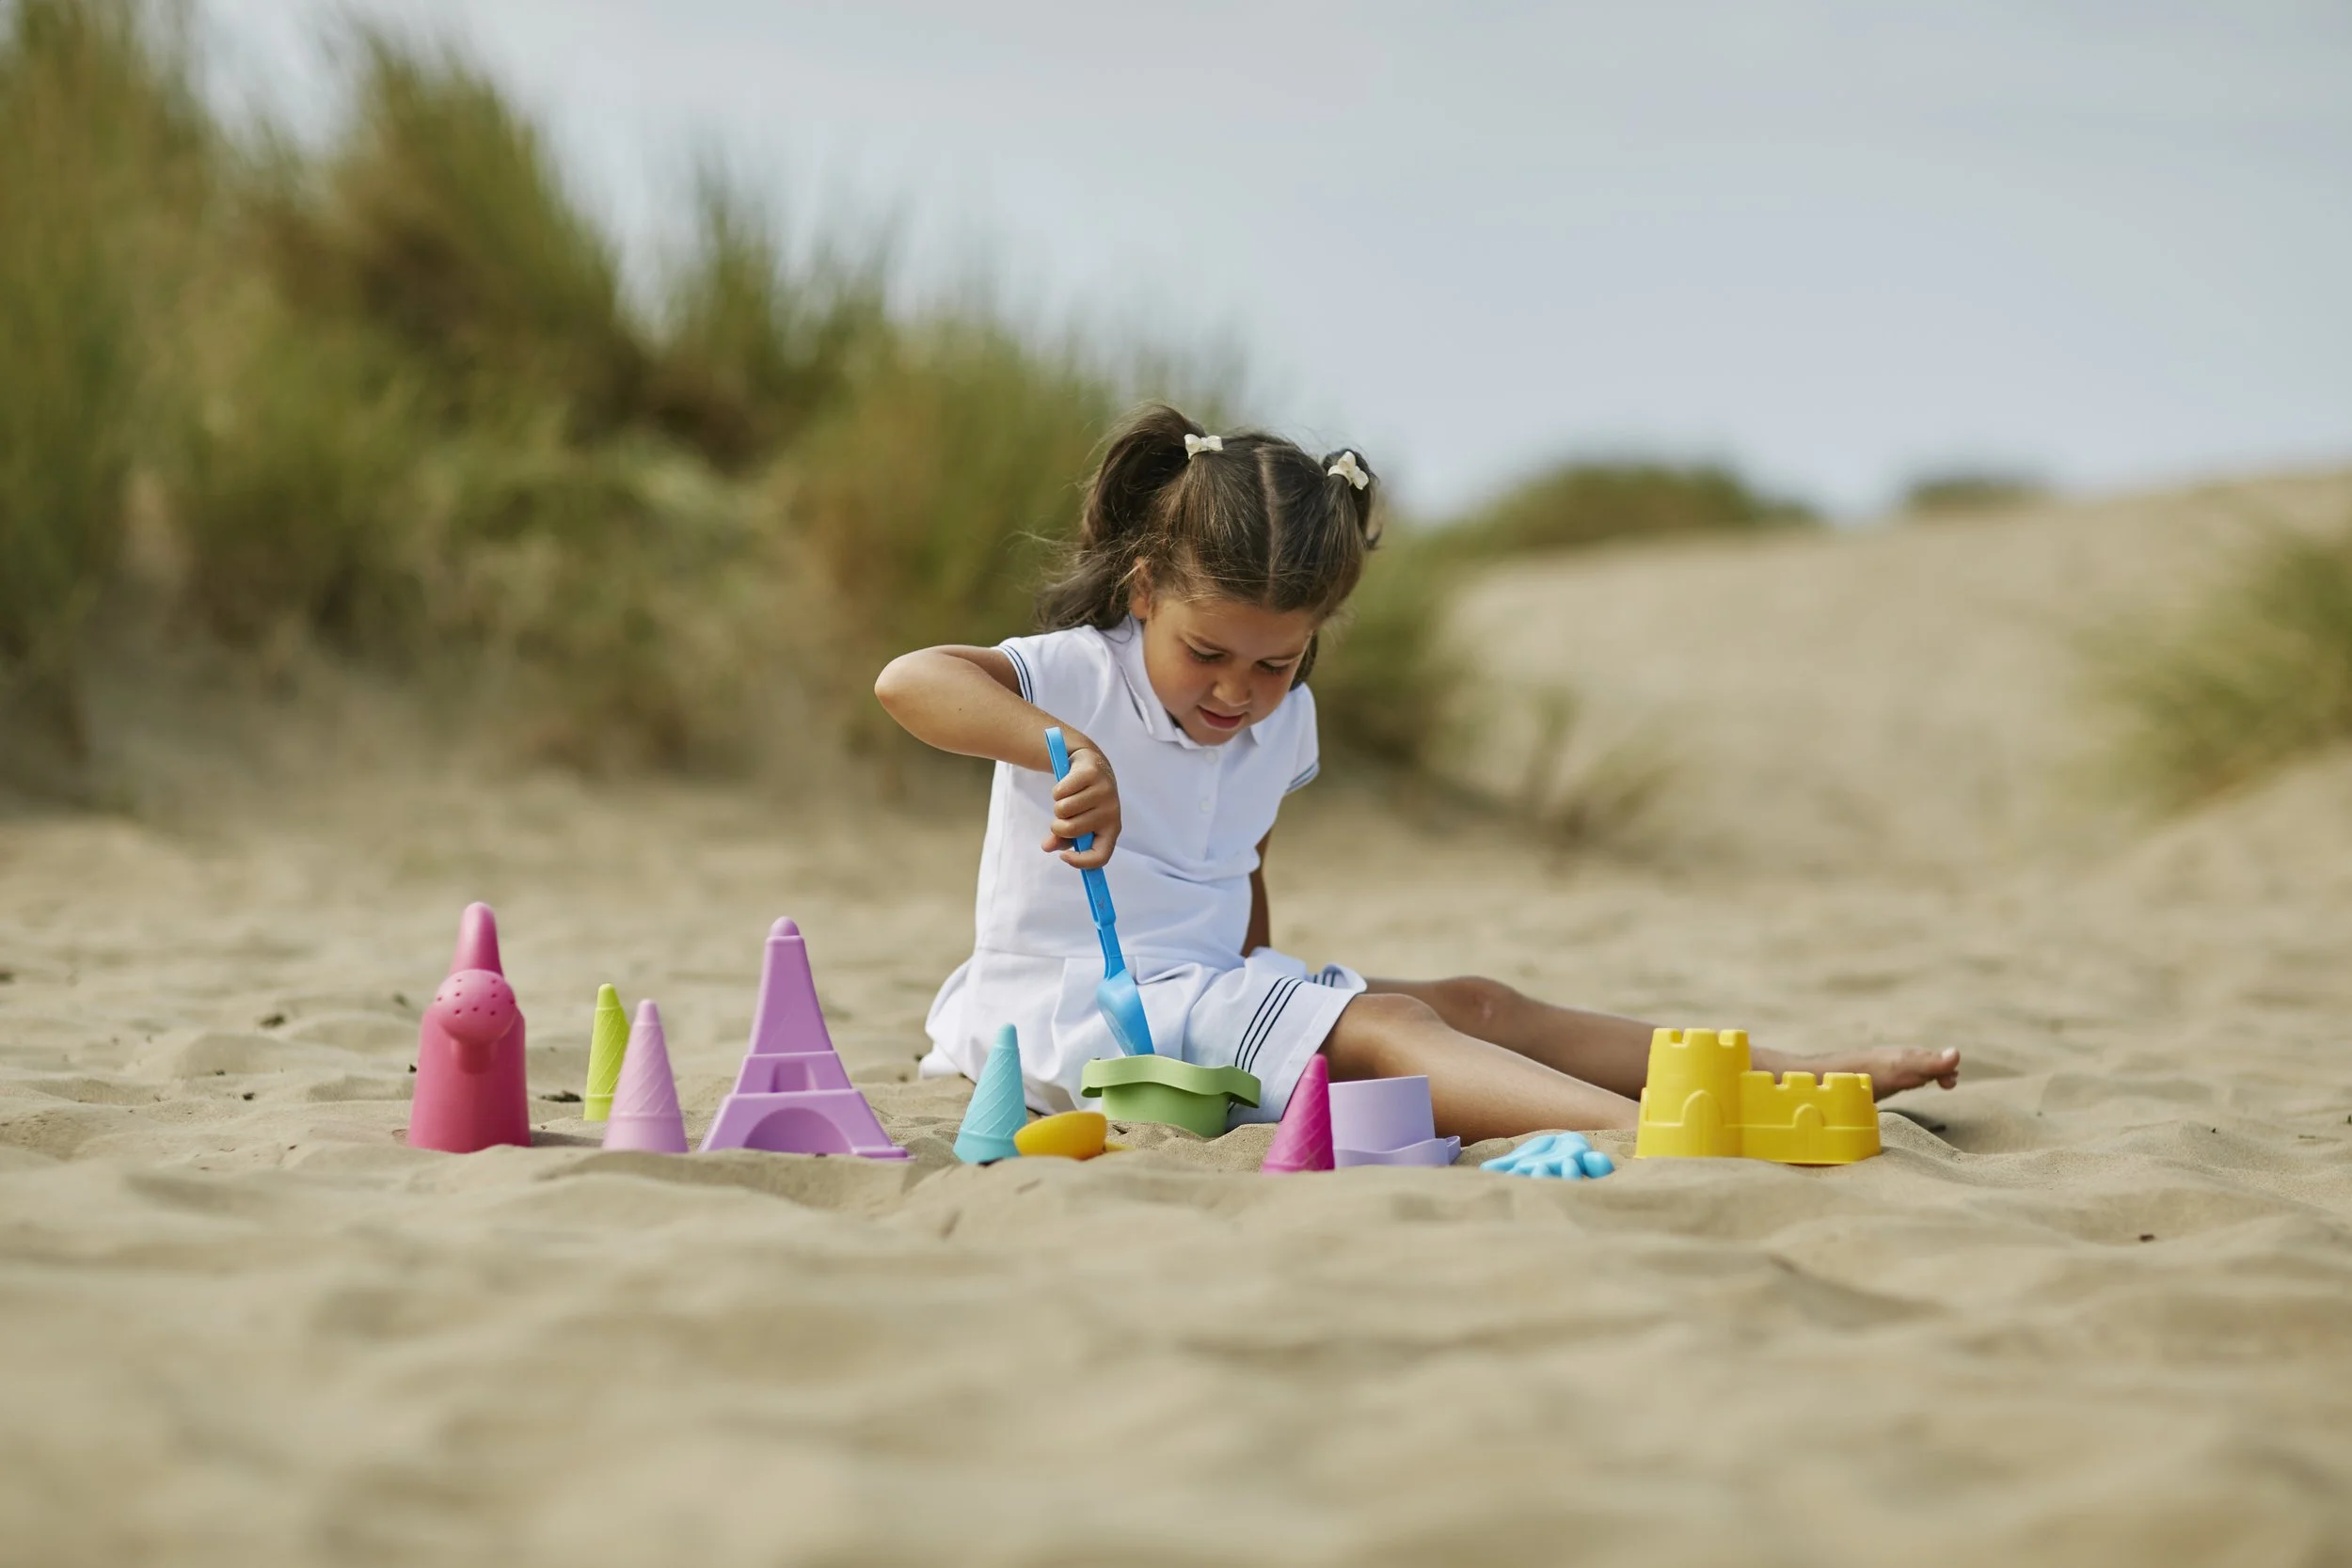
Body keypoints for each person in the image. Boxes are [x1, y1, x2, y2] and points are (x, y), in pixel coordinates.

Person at [874, 404, 1960, 1140]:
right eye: (1207, 653)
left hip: (1204, 991)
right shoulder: (1079, 676)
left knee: (1479, 999)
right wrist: (1064, 747)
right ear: (1147, 589)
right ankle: (1644, 1129)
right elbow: (906, 679)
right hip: (1078, 1014)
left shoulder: (1282, 722)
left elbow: (1238, 863)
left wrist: (1274, 976)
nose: (1234, 690)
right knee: (1397, 1030)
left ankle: (1798, 1066)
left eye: (1274, 659)